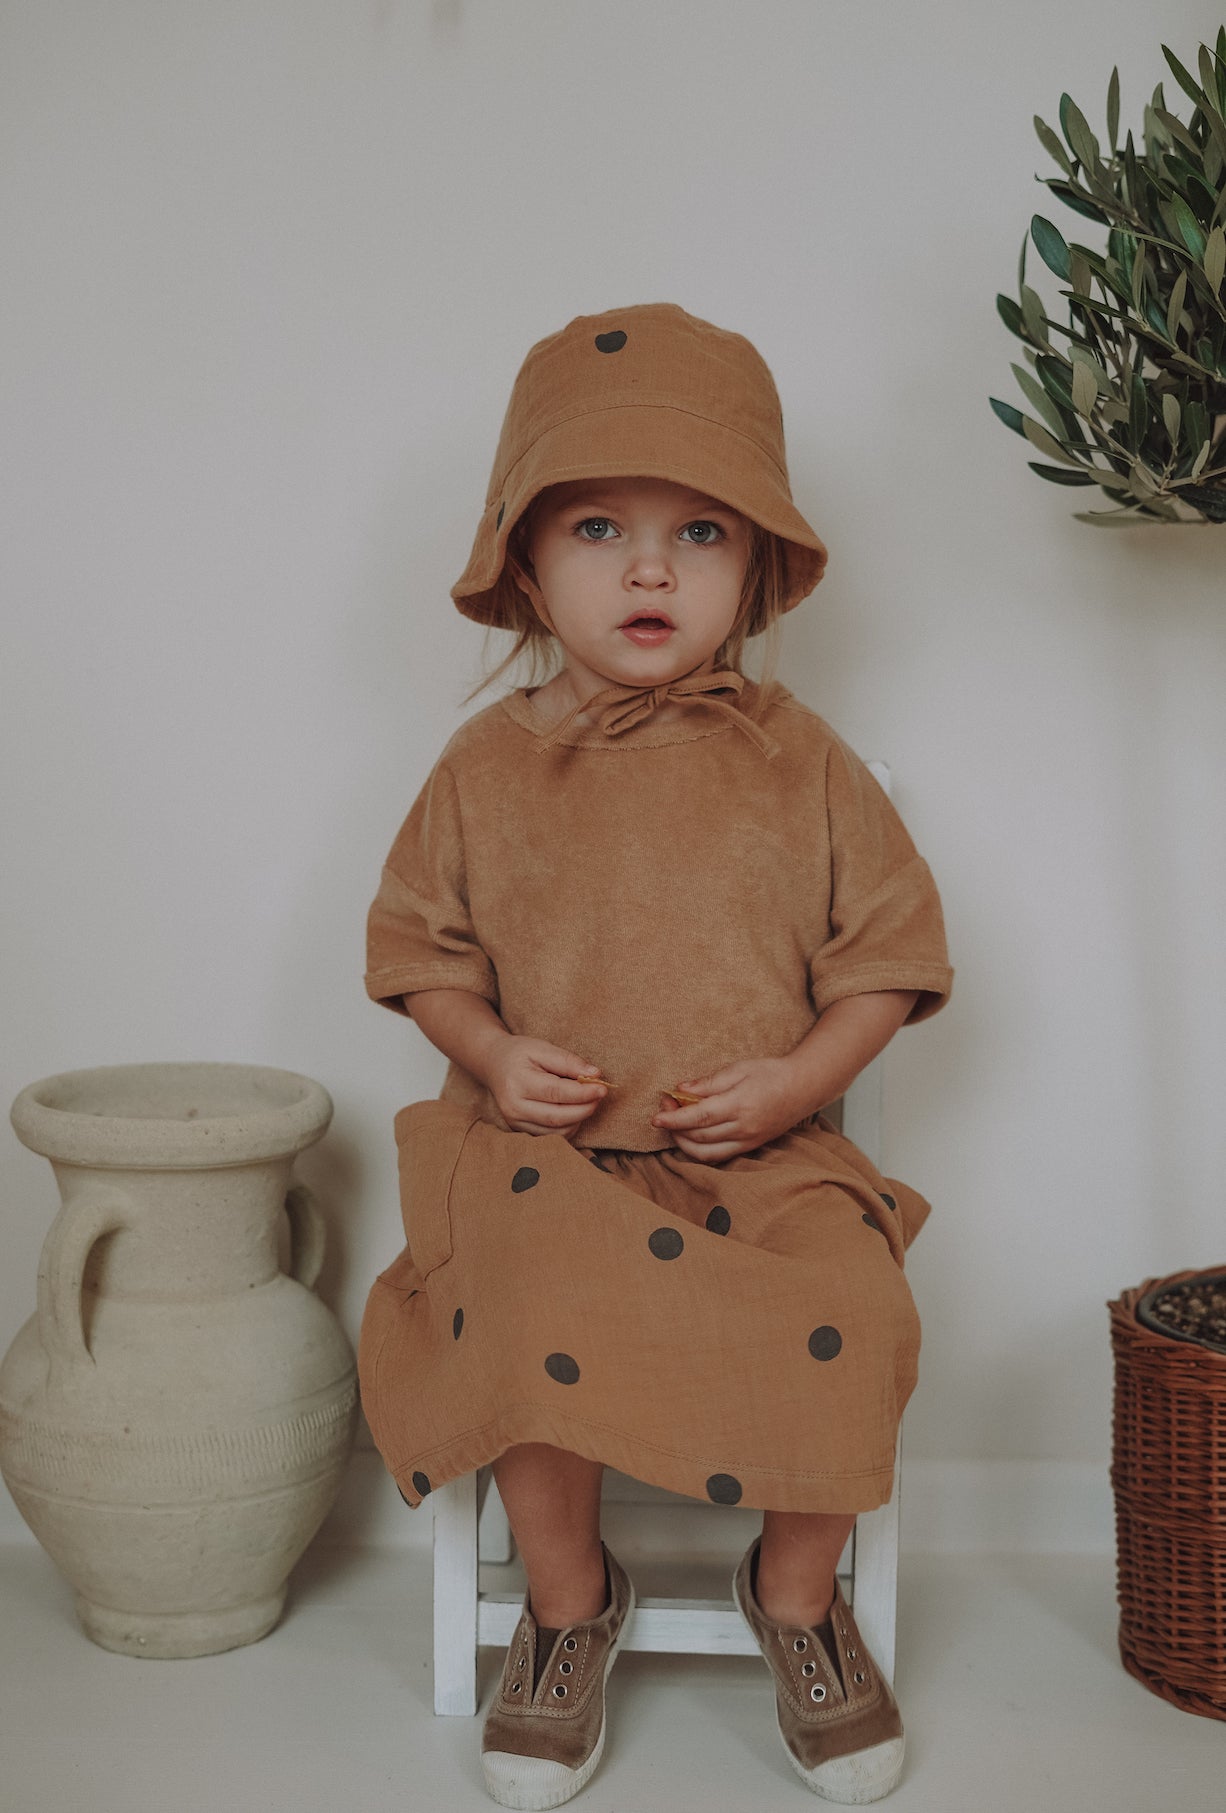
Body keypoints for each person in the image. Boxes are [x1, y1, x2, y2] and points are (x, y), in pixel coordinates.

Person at [360, 302, 953, 1809]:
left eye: (697, 532)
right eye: (600, 527)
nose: (646, 567)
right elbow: (421, 951)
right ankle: (569, 1604)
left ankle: (799, 1595)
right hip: (545, 1160)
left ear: (755, 565)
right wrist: (490, 1053)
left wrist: (796, 1084)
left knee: (857, 1303)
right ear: (523, 562)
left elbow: (884, 960)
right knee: (528, 1296)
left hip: (761, 1158)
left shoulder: (801, 759)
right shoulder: (486, 769)